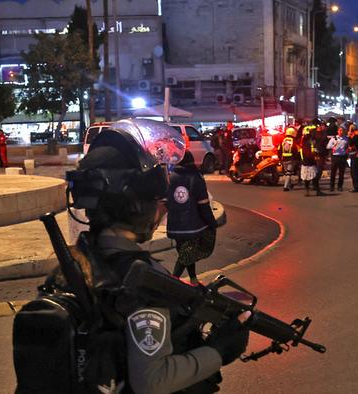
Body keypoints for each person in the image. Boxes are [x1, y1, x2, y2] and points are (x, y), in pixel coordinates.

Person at [53, 119, 248, 392]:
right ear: (136, 205)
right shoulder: (143, 282)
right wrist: (219, 352)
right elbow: (152, 381)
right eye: (159, 204)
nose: (163, 212)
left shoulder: (71, 266)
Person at [167, 151, 217, 284]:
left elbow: (166, 201)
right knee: (186, 255)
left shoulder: (171, 177)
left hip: (175, 226)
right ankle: (172, 282)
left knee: (187, 253)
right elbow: (203, 204)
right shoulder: (195, 177)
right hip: (192, 226)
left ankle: (193, 280)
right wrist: (211, 222)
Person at [326, 126, 349, 192]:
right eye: (340, 130)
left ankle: (340, 186)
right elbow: (328, 147)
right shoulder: (334, 138)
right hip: (335, 156)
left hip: (342, 156)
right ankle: (332, 186)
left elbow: (347, 146)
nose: (341, 132)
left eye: (342, 130)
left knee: (341, 173)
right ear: (338, 131)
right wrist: (334, 145)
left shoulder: (346, 138)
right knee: (333, 172)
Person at [278, 127, 300, 191]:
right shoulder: (294, 141)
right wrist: (297, 158)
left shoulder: (283, 140)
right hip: (291, 159)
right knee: (289, 173)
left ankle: (289, 185)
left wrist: (280, 158)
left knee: (287, 173)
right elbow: (297, 150)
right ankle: (285, 187)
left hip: (284, 159)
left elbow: (279, 150)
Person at [300, 125, 319, 196]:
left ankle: (309, 190)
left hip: (305, 161)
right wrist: (315, 154)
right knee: (313, 176)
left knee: (307, 177)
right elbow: (310, 151)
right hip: (309, 161)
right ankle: (316, 190)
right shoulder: (308, 141)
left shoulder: (305, 140)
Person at [312, 119, 328, 196]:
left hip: (318, 153)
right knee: (318, 170)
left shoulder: (314, 133)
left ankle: (315, 185)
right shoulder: (319, 134)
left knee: (317, 170)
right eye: (321, 125)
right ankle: (315, 185)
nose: (322, 127)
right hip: (318, 154)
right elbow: (325, 144)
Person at [347, 125, 358, 192]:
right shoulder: (356, 135)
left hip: (356, 155)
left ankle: (356, 187)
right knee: (354, 171)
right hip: (353, 155)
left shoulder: (356, 136)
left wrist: (349, 136)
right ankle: (356, 186)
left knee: (354, 172)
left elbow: (351, 143)